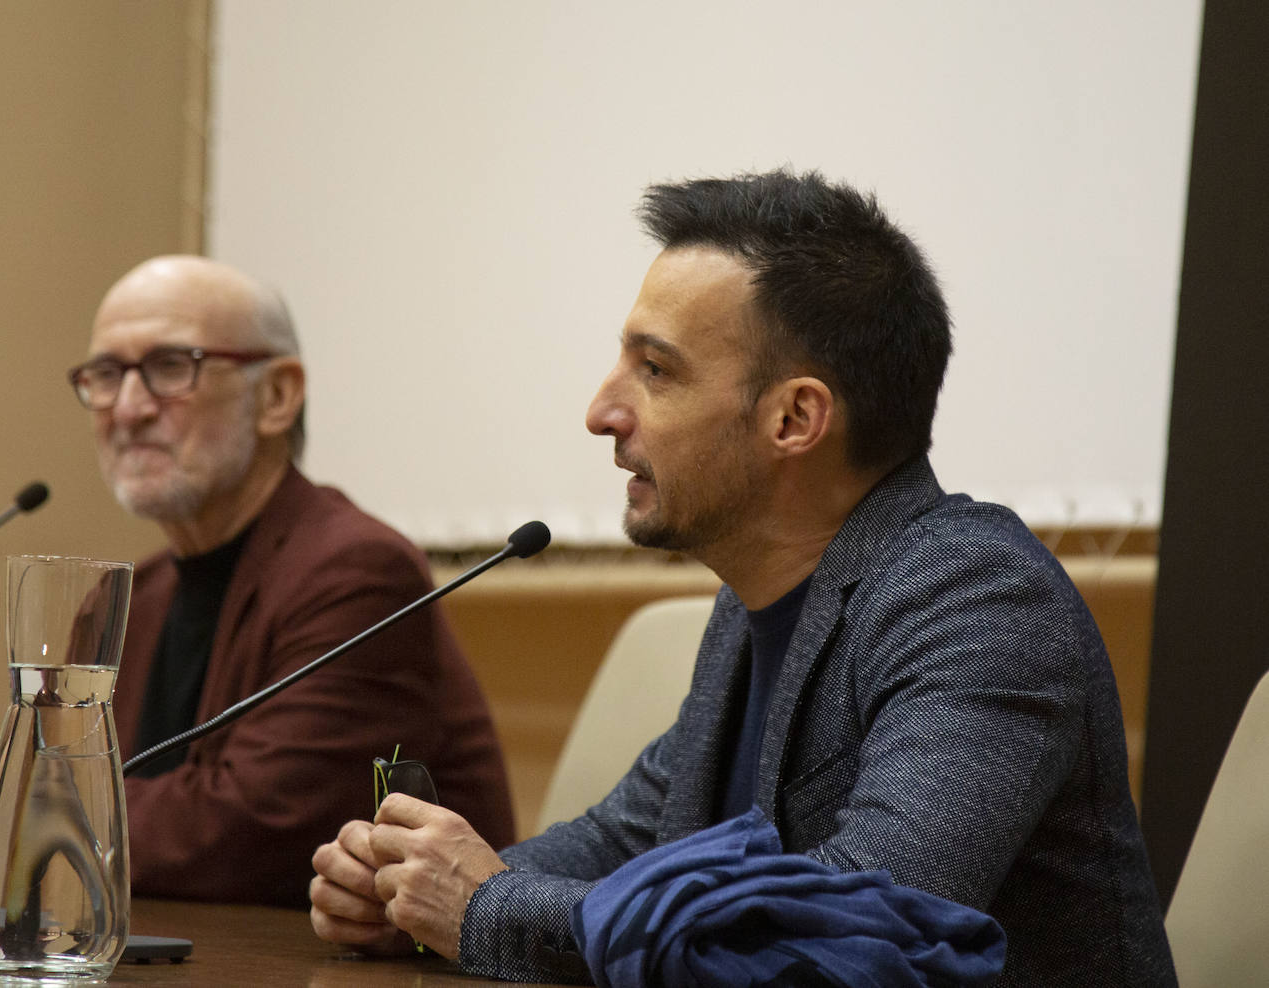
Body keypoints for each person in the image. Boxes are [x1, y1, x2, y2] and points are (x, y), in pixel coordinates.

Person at [307, 171, 1175, 985]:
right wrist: (411, 896)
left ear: (795, 417)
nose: (602, 411)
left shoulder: (978, 601)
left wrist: (487, 909)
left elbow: (854, 933)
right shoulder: (752, 602)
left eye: (656, 371)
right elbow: (628, 842)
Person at [68, 255, 514, 908]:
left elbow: (246, 832)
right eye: (106, 375)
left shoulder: (358, 573)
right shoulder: (129, 598)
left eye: (170, 367)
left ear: (277, 396)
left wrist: (31, 813)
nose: (129, 408)